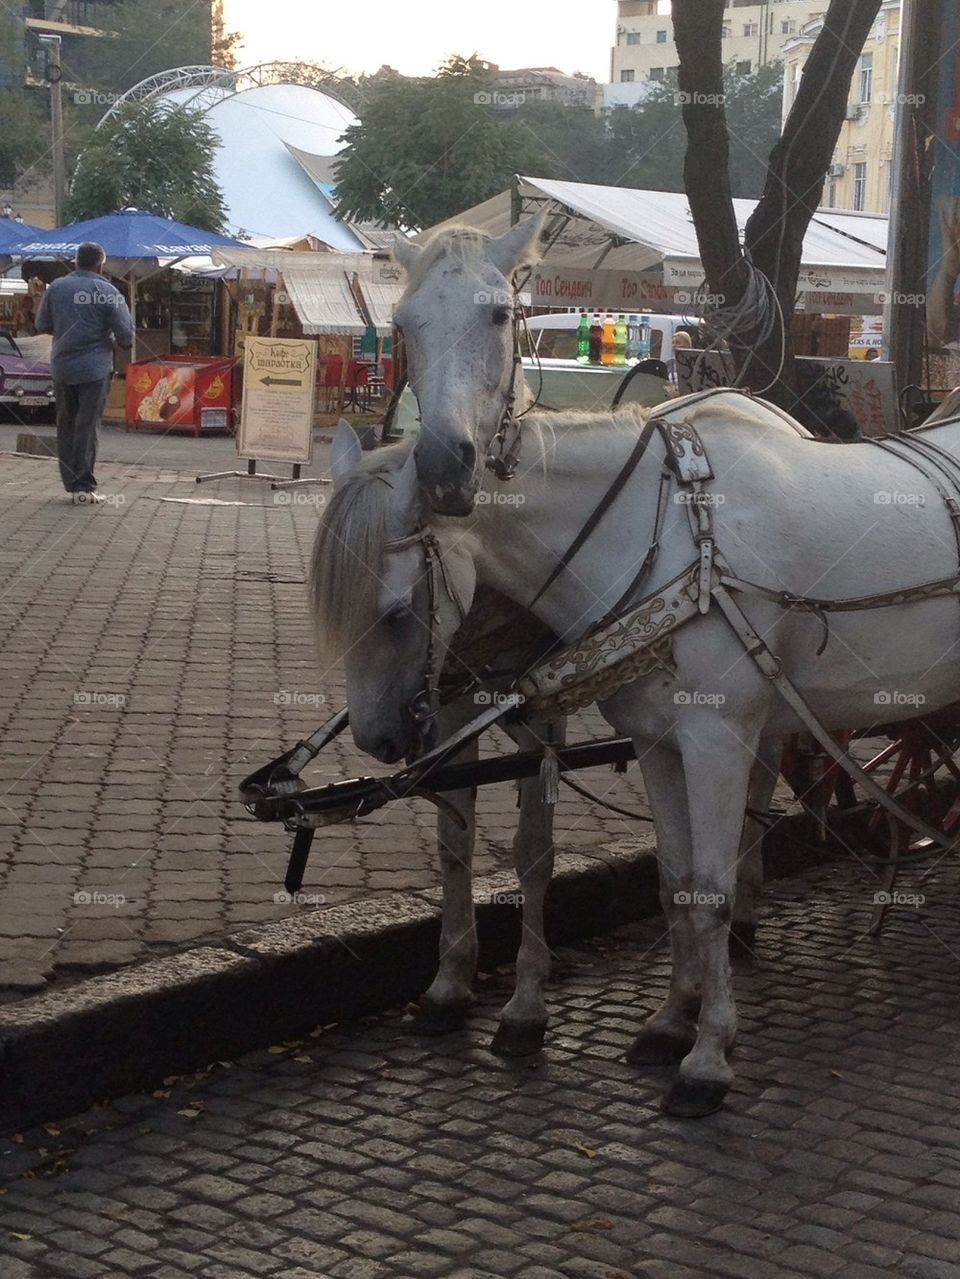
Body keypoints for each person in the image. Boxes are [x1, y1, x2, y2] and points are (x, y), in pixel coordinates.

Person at [35, 242, 134, 504]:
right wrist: (112, 339)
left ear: (75, 262)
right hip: (95, 369)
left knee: (66, 424)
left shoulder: (56, 288)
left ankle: (71, 483)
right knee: (87, 427)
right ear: (101, 266)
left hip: (62, 367)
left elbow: (42, 324)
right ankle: (83, 486)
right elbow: (126, 335)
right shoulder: (108, 292)